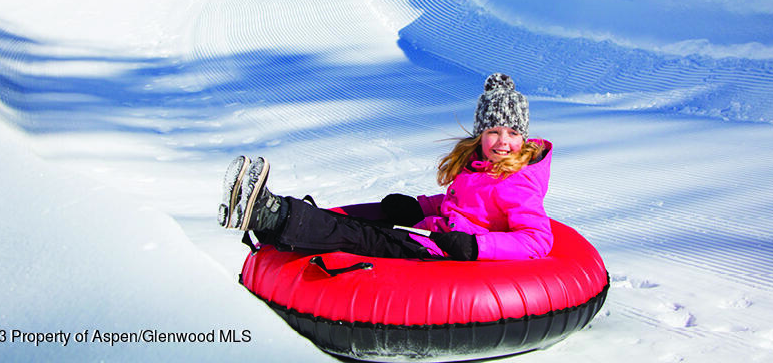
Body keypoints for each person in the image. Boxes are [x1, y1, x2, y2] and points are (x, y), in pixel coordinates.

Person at [217, 73, 554, 261]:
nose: (502, 142)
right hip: (435, 232)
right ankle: (267, 220)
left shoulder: (518, 181)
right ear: (480, 133)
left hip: (444, 251)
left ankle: (272, 214)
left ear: (523, 137)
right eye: (493, 131)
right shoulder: (479, 166)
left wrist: (477, 247)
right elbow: (465, 205)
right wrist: (420, 206)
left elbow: (537, 240)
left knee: (362, 236)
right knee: (362, 220)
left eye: (512, 133)